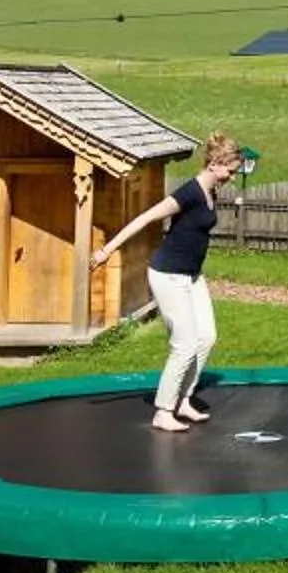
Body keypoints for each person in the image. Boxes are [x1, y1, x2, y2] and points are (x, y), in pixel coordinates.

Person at [92, 131, 244, 433]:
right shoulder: (189, 192)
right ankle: (163, 411)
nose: (231, 177)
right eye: (230, 170)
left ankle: (183, 399)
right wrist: (108, 249)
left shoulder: (210, 192)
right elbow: (146, 218)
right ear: (215, 163)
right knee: (184, 344)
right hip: (167, 275)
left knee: (207, 337)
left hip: (192, 277)